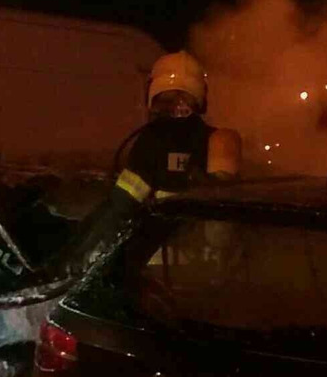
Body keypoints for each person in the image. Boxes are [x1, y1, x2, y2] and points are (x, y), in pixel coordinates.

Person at [65, 51, 242, 269]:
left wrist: (80, 254)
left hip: (162, 265)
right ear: (202, 97)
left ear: (151, 94)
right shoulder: (218, 141)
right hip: (211, 267)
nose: (176, 107)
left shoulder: (153, 141)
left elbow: (121, 206)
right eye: (171, 100)